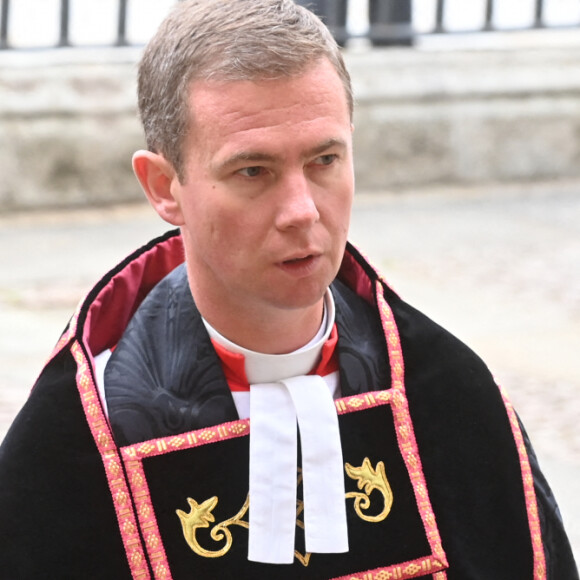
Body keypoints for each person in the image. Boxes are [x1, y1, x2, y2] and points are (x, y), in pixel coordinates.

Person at [0, 1, 577, 578]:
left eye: (325, 160)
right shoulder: (76, 445)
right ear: (163, 187)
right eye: (253, 171)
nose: (302, 213)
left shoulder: (446, 395)